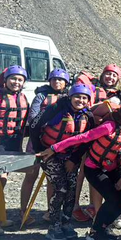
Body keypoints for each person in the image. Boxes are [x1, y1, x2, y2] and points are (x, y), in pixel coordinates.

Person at [37, 95, 121, 240]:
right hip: (94, 167)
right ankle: (95, 231)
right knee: (112, 198)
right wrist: (54, 148)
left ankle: (102, 227)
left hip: (112, 169)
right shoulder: (110, 126)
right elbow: (83, 138)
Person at [31, 84, 94, 240]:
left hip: (70, 156)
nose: (80, 100)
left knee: (72, 189)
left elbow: (87, 141)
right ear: (70, 97)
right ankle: (54, 225)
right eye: (77, 96)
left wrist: (74, 159)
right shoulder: (55, 108)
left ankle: (66, 223)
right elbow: (34, 126)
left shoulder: (88, 116)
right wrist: (40, 151)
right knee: (61, 188)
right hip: (49, 154)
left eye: (84, 98)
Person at [0, 65, 32, 235]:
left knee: (25, 172)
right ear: (6, 79)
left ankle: (0, 216)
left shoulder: (23, 97)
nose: (16, 82)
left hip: (14, 142)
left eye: (20, 79)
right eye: (13, 79)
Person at [22, 67, 71, 222]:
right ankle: (23, 211)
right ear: (49, 81)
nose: (57, 82)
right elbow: (33, 117)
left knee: (52, 178)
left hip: (55, 143)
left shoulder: (68, 98)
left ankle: (51, 212)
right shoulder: (41, 96)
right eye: (54, 79)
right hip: (37, 141)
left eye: (61, 80)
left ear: (66, 83)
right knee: (31, 174)